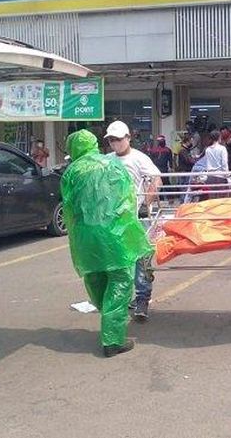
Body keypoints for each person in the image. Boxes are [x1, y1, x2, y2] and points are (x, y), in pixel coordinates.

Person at [61, 129, 152, 357]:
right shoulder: (112, 166)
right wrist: (132, 234)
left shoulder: (71, 172)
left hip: (85, 236)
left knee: (95, 277)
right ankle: (112, 340)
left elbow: (69, 208)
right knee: (120, 280)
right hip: (114, 233)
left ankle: (109, 320)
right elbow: (126, 200)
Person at [105, 120, 162, 322]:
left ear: (128, 138)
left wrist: (146, 202)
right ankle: (125, 297)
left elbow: (156, 179)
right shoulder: (107, 160)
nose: (115, 143)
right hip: (116, 218)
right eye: (111, 140)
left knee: (142, 260)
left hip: (138, 217)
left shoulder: (139, 159)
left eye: (118, 139)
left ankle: (142, 299)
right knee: (120, 260)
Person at [203, 129, 229, 197]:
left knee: (212, 199)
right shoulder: (222, 148)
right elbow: (224, 163)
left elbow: (207, 162)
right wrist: (227, 174)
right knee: (221, 199)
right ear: (219, 137)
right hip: (220, 176)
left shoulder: (208, 149)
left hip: (210, 176)